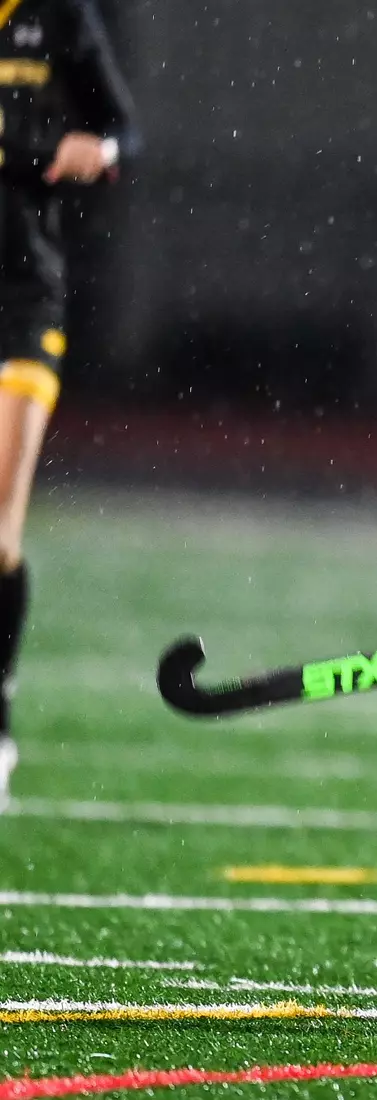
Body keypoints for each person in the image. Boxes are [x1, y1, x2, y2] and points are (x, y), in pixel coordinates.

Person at [0, 0, 139, 810]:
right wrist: (46, 149)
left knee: (0, 531)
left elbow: (124, 129)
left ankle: (0, 719)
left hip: (23, 299)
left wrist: (104, 148)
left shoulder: (59, 17)